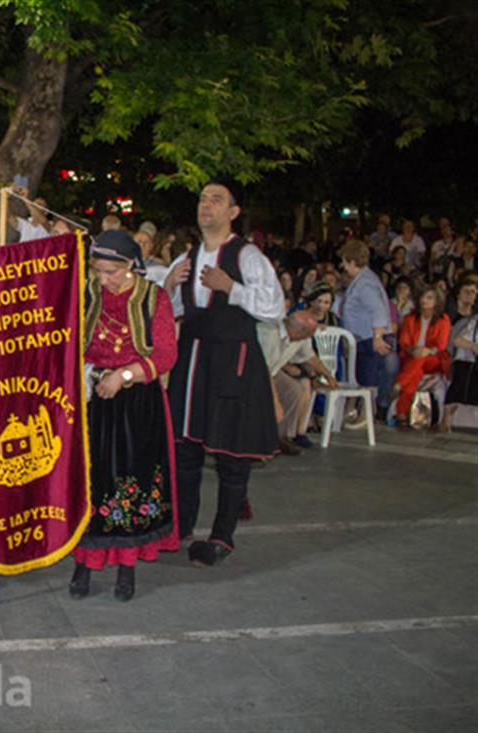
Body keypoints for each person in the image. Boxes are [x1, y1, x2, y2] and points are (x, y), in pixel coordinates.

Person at [164, 181, 283, 567]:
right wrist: (167, 286)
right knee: (186, 450)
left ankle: (222, 536)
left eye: (216, 199)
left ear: (233, 212)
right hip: (194, 361)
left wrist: (231, 287)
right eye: (202, 198)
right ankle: (179, 527)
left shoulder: (247, 256)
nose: (206, 204)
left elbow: (274, 306)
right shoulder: (187, 257)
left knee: (232, 452)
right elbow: (161, 309)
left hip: (233, 362)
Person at [69, 230, 178, 601]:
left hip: (135, 404)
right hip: (91, 398)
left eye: (112, 271)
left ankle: (127, 567)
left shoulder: (154, 297)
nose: (104, 279)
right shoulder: (86, 292)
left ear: (132, 265)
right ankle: (83, 562)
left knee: (131, 479)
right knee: (90, 479)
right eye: (98, 270)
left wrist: (124, 374)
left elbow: (165, 355)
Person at [261, 311, 339, 453]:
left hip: (273, 371)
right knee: (270, 397)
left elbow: (309, 357)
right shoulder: (270, 334)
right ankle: (258, 441)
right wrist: (276, 402)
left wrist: (327, 375)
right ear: (299, 331)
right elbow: (263, 370)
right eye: (309, 334)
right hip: (256, 373)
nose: (309, 337)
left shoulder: (301, 337)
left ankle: (281, 437)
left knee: (295, 390)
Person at [339, 240, 393, 421]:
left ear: (352, 262)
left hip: (369, 338)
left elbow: (377, 310)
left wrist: (377, 337)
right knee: (361, 376)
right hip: (362, 337)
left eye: (345, 262)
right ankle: (359, 413)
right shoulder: (363, 280)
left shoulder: (365, 284)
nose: (344, 267)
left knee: (368, 378)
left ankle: (366, 416)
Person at [394, 286, 451, 425]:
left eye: (429, 298)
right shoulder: (410, 318)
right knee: (416, 371)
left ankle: (399, 384)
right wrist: (412, 351)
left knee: (419, 360)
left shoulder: (443, 319)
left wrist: (427, 351)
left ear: (436, 302)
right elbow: (404, 341)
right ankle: (401, 413)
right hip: (413, 357)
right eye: (423, 297)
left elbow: (441, 345)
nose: (424, 300)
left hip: (434, 358)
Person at [442, 310, 478, 432]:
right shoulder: (475, 321)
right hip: (468, 360)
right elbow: (457, 341)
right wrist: (473, 346)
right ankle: (446, 419)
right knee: (463, 374)